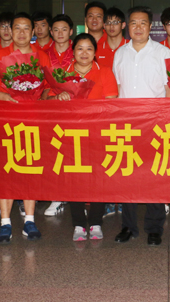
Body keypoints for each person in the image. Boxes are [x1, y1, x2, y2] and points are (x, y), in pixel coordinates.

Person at [0, 13, 51, 240]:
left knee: (29, 169)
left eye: (26, 28)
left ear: (33, 32)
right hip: (5, 120)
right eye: (17, 28)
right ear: (10, 31)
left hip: (33, 121)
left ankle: (29, 221)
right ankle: (5, 222)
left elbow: (48, 86)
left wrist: (42, 97)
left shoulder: (41, 56)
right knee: (6, 170)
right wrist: (0, 96)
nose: (21, 33)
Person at [112, 6, 170, 246]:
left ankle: (154, 228)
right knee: (127, 175)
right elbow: (118, 88)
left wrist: (165, 118)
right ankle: (128, 226)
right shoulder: (120, 53)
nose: (138, 27)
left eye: (143, 23)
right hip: (126, 123)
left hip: (154, 122)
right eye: (134, 23)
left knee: (154, 175)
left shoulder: (163, 52)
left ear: (151, 26)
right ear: (128, 26)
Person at [50, 33, 118, 241]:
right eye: (80, 48)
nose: (84, 53)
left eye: (89, 48)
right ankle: (79, 224)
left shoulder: (105, 72)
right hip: (71, 134)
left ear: (95, 52)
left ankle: (96, 222)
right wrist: (58, 97)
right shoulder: (63, 73)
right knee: (74, 179)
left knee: (98, 178)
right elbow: (46, 98)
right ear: (73, 52)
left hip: (97, 133)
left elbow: (111, 102)